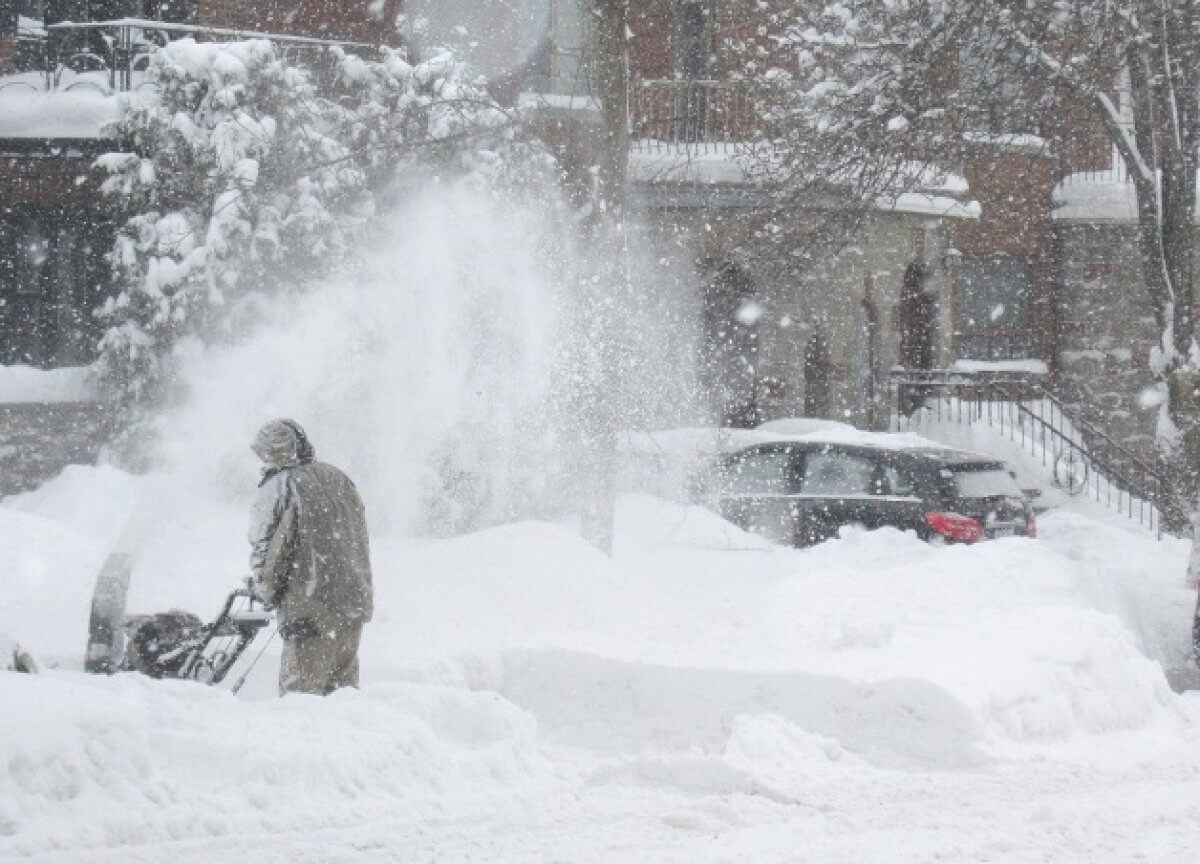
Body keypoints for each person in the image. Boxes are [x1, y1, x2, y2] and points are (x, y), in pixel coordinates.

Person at [248, 419, 373, 696]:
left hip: (309, 609)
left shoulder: (281, 486)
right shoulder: (338, 477)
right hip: (353, 605)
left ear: (273, 451)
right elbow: (357, 538)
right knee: (343, 697)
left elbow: (271, 550)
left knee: (301, 701)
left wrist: (265, 590)